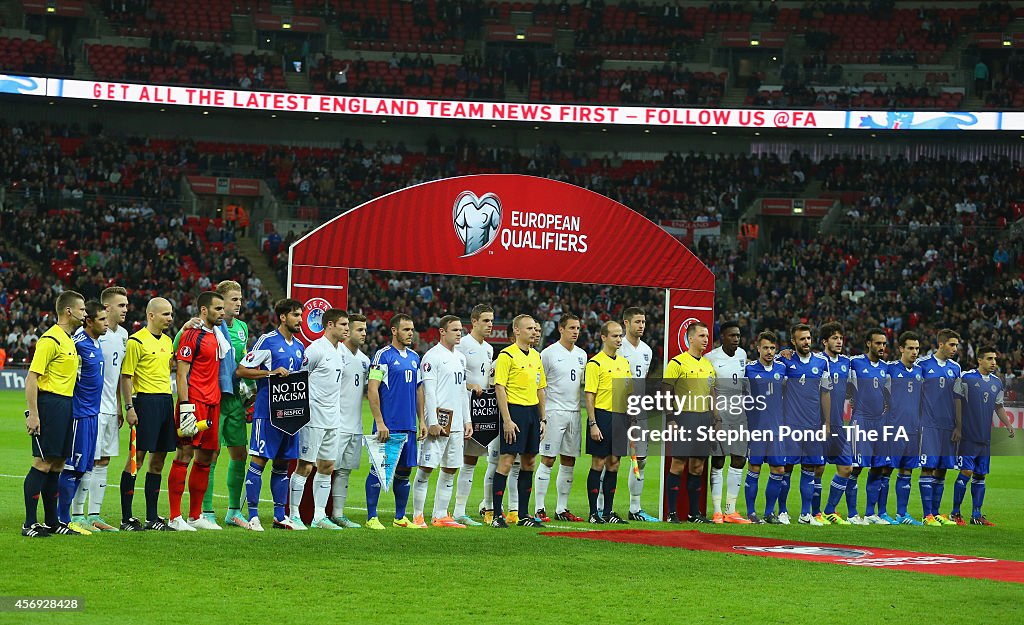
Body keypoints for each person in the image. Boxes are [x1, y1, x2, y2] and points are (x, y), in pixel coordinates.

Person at [237, 298, 306, 531]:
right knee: (258, 460)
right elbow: (242, 369)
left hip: (290, 416)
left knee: (282, 464)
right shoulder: (267, 341)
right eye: (296, 315)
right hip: (266, 413)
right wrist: (270, 373)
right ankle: (253, 516)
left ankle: (279, 515)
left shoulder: (299, 347)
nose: (300, 319)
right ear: (283, 317)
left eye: (301, 315)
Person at [23, 291, 86, 537]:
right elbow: (31, 378)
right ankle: (29, 523)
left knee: (58, 463)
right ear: (68, 311)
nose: (85, 313)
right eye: (81, 309)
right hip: (49, 404)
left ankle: (51, 521)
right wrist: (34, 414)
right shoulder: (50, 340)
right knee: (42, 461)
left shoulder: (69, 339)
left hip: (65, 405)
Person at [167, 291, 226, 531]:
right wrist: (185, 408)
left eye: (223, 308)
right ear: (204, 310)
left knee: (206, 458)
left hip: (213, 402)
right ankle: (174, 517)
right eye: (218, 309)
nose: (222, 313)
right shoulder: (192, 335)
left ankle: (195, 515)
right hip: (194, 402)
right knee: (184, 455)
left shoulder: (217, 336)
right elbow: (181, 373)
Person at [119, 297, 178, 532]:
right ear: (151, 315)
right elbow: (126, 376)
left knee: (159, 461)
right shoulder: (136, 342)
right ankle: (127, 519)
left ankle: (152, 518)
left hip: (165, 401)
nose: (170, 318)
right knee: (137, 459)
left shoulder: (168, 341)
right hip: (144, 401)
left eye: (171, 314)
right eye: (165, 314)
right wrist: (129, 407)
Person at [365, 313, 425, 530]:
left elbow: (419, 390)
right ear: (394, 331)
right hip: (388, 425)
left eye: (412, 329)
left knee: (404, 471)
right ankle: (371, 517)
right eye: (406, 329)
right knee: (378, 470)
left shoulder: (414, 357)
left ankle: (400, 517)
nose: (411, 333)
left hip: (409, 424)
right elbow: (372, 389)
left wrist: (422, 421)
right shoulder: (383, 356)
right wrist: (380, 422)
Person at [412, 315, 473, 528]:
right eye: (455, 330)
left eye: (460, 330)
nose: (459, 333)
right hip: (439, 422)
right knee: (426, 467)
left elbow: (463, 391)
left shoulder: (461, 358)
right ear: (442, 332)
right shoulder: (432, 357)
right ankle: (417, 515)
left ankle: (440, 515)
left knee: (451, 468)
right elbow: (429, 392)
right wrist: (433, 421)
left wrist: (468, 420)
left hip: (456, 424)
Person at [292, 309, 350, 530]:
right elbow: (300, 379)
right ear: (330, 325)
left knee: (327, 465)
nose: (347, 328)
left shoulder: (341, 351)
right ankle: (295, 515)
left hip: (333, 418)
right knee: (305, 466)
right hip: (313, 417)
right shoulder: (315, 350)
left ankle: (318, 517)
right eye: (343, 324)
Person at [492, 314, 547, 528]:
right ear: (517, 331)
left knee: (529, 462)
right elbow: (500, 387)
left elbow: (541, 389)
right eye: (529, 328)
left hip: (532, 412)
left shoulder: (536, 356)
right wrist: (506, 419)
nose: (534, 332)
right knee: (506, 461)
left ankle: (523, 515)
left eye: (535, 328)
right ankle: (497, 515)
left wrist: (543, 418)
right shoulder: (507, 356)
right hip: (514, 411)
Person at [951, 346, 1015, 525]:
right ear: (979, 360)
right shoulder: (966, 377)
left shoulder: (997, 382)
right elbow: (956, 400)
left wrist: (1008, 424)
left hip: (985, 438)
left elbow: (999, 406)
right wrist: (958, 426)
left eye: (995, 359)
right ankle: (955, 513)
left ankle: (976, 515)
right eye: (989, 358)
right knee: (966, 471)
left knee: (980, 475)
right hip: (968, 435)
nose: (993, 362)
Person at [59, 300, 108, 536]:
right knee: (72, 468)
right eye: (102, 319)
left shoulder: (96, 343)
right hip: (78, 415)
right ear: (89, 321)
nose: (106, 323)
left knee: (84, 469)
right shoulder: (77, 344)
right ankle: (62, 518)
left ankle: (69, 517)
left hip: (93, 415)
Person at [662, 321, 717, 524]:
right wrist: (670, 418)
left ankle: (694, 514)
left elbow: (712, 394)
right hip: (684, 417)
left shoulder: (708, 365)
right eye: (702, 336)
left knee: (698, 467)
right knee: (678, 464)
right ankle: (672, 513)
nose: (705, 340)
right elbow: (666, 391)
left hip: (704, 419)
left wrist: (715, 420)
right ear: (690, 338)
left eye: (707, 336)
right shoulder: (677, 363)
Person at [777, 323, 832, 527]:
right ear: (793, 341)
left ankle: (805, 513)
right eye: (802, 339)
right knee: (787, 468)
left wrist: (827, 422)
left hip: (813, 425)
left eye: (808, 338)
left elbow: (826, 393)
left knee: (810, 467)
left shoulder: (821, 362)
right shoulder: (784, 361)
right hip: (790, 425)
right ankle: (782, 511)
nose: (806, 342)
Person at [209, 280, 253, 528]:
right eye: (233, 299)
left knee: (239, 453)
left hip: (235, 399)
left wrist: (251, 389)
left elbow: (244, 359)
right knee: (210, 453)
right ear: (221, 301)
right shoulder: (203, 328)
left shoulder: (242, 328)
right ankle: (205, 511)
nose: (238, 303)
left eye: (240, 298)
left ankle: (233, 510)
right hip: (213, 397)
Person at [537, 313, 586, 522]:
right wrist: (542, 415)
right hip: (554, 411)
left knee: (569, 461)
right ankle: (539, 507)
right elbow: (539, 385)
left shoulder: (582, 355)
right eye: (572, 328)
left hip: (575, 413)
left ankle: (561, 508)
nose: (575, 332)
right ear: (561, 329)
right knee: (548, 459)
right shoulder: (548, 354)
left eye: (578, 328)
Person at [583, 320, 631, 524]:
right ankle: (594, 513)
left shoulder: (624, 363)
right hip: (602, 416)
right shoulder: (595, 363)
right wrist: (593, 423)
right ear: (604, 337)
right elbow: (589, 396)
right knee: (598, 462)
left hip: (621, 417)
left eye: (620, 335)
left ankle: (608, 512)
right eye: (615, 335)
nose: (619, 339)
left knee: (614, 463)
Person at [705, 320, 752, 524]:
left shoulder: (742, 355)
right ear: (722, 337)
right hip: (720, 416)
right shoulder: (711, 358)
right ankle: (716, 511)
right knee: (718, 460)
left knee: (739, 459)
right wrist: (715, 417)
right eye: (732, 335)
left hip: (739, 415)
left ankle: (730, 510)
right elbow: (709, 390)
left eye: (738, 336)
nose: (736, 339)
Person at [453, 304, 494, 526]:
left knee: (479, 460)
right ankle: (452, 510)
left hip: (481, 412)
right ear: (474, 321)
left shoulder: (489, 349)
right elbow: (456, 374)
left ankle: (470, 508)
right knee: (459, 461)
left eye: (491, 321)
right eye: (486, 320)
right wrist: (471, 385)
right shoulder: (462, 345)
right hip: (462, 408)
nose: (490, 325)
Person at [816, 322, 861, 525]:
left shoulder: (847, 363)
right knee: (817, 469)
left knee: (846, 468)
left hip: (838, 425)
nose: (839, 342)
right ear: (825, 341)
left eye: (841, 338)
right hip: (818, 424)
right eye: (834, 338)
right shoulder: (816, 361)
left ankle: (828, 510)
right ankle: (814, 513)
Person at [617, 306, 658, 522]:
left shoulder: (647, 350)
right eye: (637, 322)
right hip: (617, 410)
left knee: (641, 460)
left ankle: (635, 508)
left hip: (640, 411)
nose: (641, 326)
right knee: (611, 459)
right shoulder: (617, 347)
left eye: (643, 322)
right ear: (626, 323)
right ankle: (604, 508)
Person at [849, 328, 894, 525]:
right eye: (878, 343)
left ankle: (870, 514)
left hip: (880, 422)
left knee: (878, 467)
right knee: (856, 467)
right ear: (868, 343)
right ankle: (852, 514)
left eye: (884, 344)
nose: (882, 347)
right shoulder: (855, 362)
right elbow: (830, 361)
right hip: (861, 420)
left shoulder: (887, 367)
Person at [918, 328, 961, 527]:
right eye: (951, 345)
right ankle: (927, 515)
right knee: (928, 467)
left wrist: (958, 426)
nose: (955, 349)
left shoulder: (956, 368)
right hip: (928, 424)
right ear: (941, 344)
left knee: (943, 469)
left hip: (948, 425)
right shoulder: (923, 365)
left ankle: (936, 513)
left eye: (956, 345)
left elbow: (958, 398)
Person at [744, 331, 788, 524]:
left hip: (777, 428)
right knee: (754, 467)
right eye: (765, 348)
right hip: (756, 429)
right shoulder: (749, 369)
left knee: (778, 469)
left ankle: (770, 513)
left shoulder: (782, 368)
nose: (769, 352)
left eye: (772, 348)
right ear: (758, 348)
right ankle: (751, 513)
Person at [330, 313, 369, 529]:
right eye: (359, 330)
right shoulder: (337, 355)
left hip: (355, 425)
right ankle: (318, 513)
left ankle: (338, 514)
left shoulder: (365, 361)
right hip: (336, 423)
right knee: (327, 468)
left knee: (344, 471)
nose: (364, 333)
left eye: (364, 330)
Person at [886, 331, 926, 525]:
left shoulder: (920, 372)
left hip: (913, 430)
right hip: (894, 429)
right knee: (886, 471)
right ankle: (880, 514)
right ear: (901, 348)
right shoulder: (890, 369)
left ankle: (902, 514)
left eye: (917, 348)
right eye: (910, 348)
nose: (914, 352)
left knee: (907, 472)